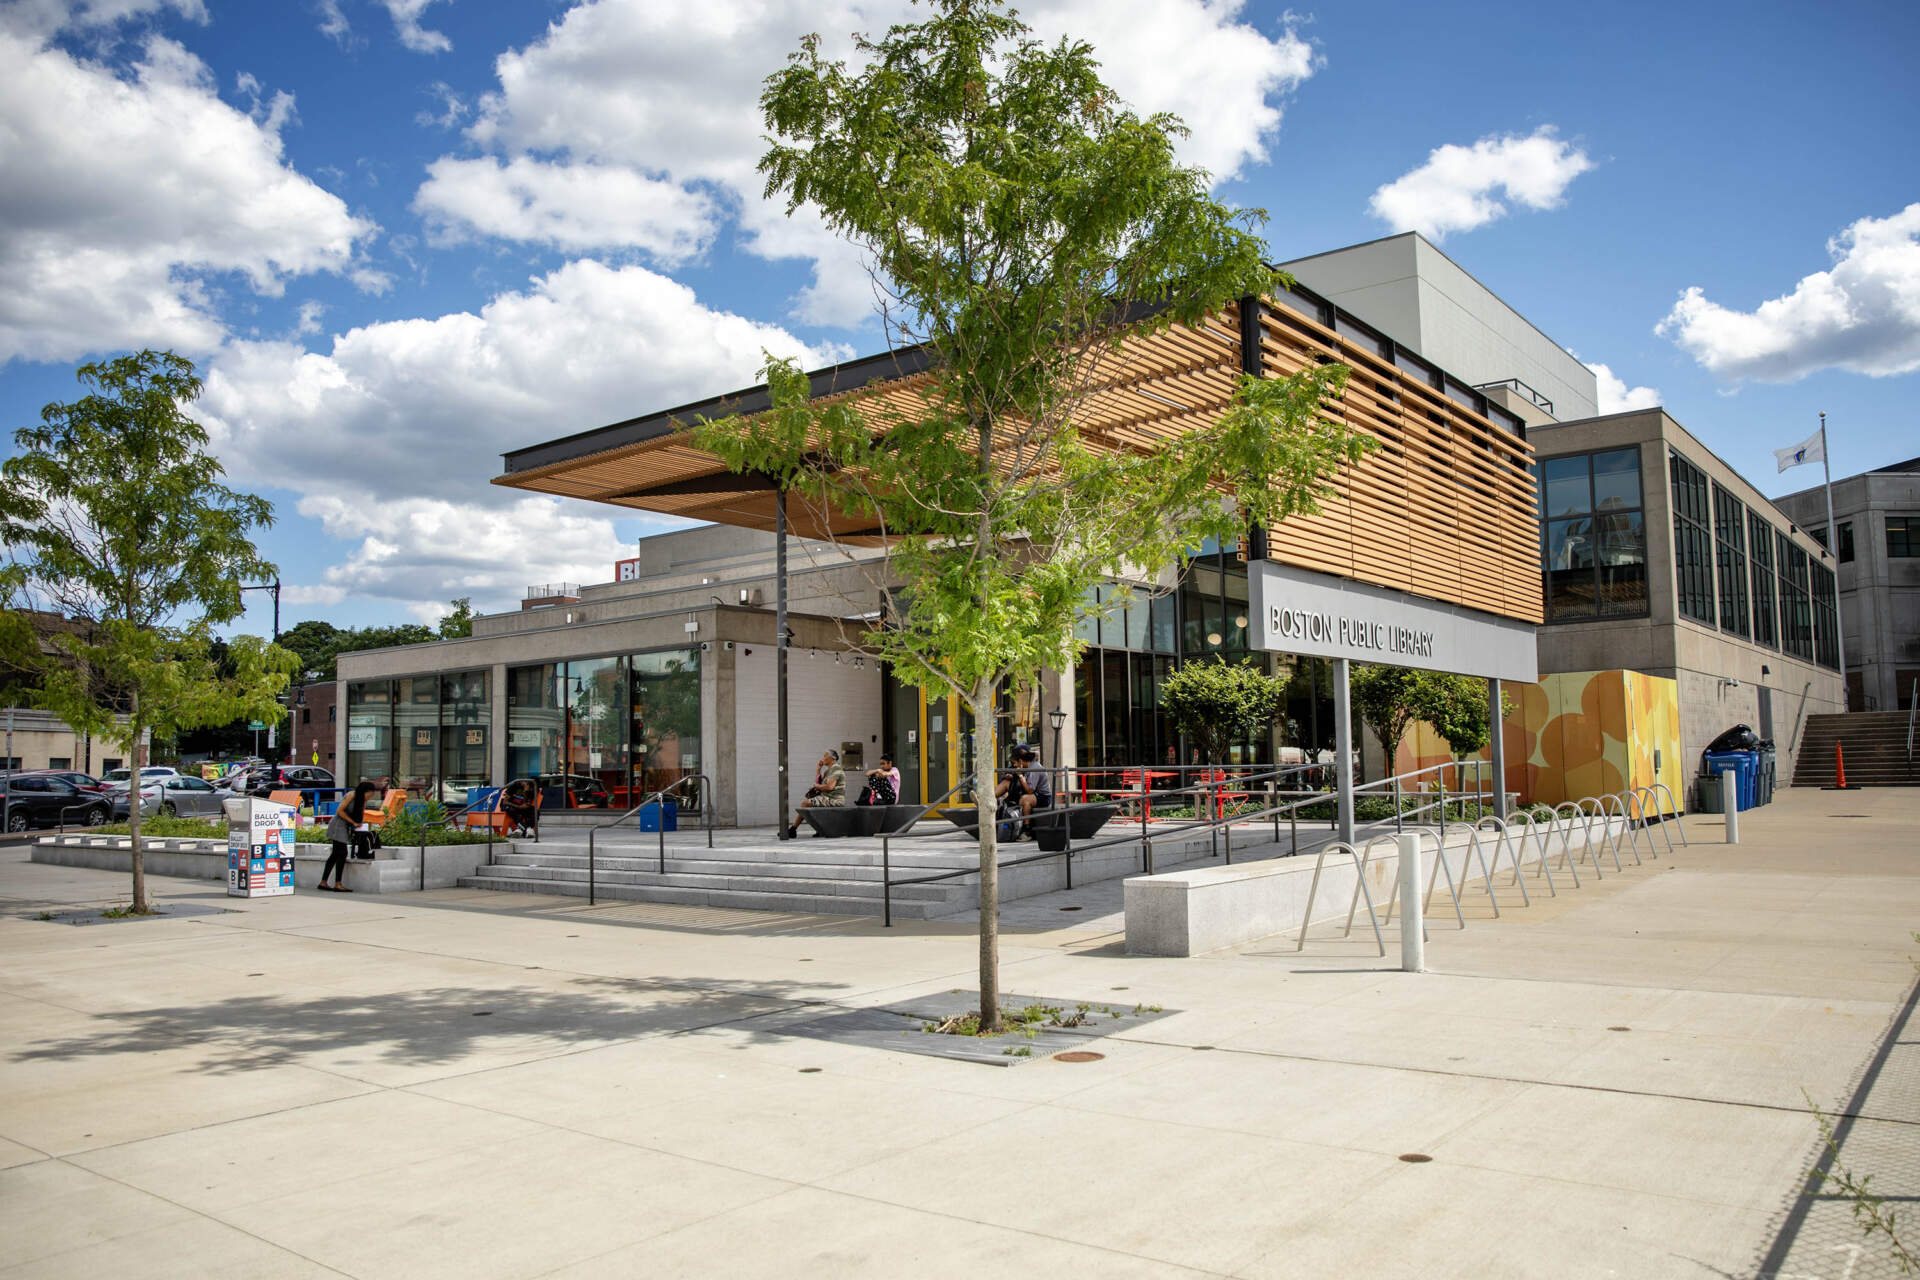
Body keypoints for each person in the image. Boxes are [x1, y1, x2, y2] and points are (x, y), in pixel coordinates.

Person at [321, 779, 379, 891]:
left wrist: (360, 824)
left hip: (346, 826)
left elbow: (360, 815)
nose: (369, 797)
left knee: (335, 854)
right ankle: (338, 883)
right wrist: (352, 822)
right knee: (342, 853)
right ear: (364, 791)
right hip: (338, 825)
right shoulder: (351, 795)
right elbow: (339, 811)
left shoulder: (362, 800)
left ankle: (323, 882)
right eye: (369, 794)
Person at [780, 748, 845, 840]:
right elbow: (819, 782)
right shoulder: (828, 771)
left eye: (825, 755)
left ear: (832, 758)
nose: (823, 758)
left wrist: (817, 786)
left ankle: (793, 830)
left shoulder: (836, 769)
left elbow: (830, 787)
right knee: (807, 804)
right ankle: (815, 829)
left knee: (805, 803)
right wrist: (819, 769)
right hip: (826, 797)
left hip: (835, 800)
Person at [994, 745, 1053, 838]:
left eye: (1015, 763)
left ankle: (1027, 830)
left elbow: (1030, 790)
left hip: (1042, 796)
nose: (1014, 765)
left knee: (1025, 799)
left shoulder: (1034, 768)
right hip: (1029, 792)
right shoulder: (1022, 766)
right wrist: (1010, 776)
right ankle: (986, 799)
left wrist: (1020, 776)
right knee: (1006, 782)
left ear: (1020, 761)